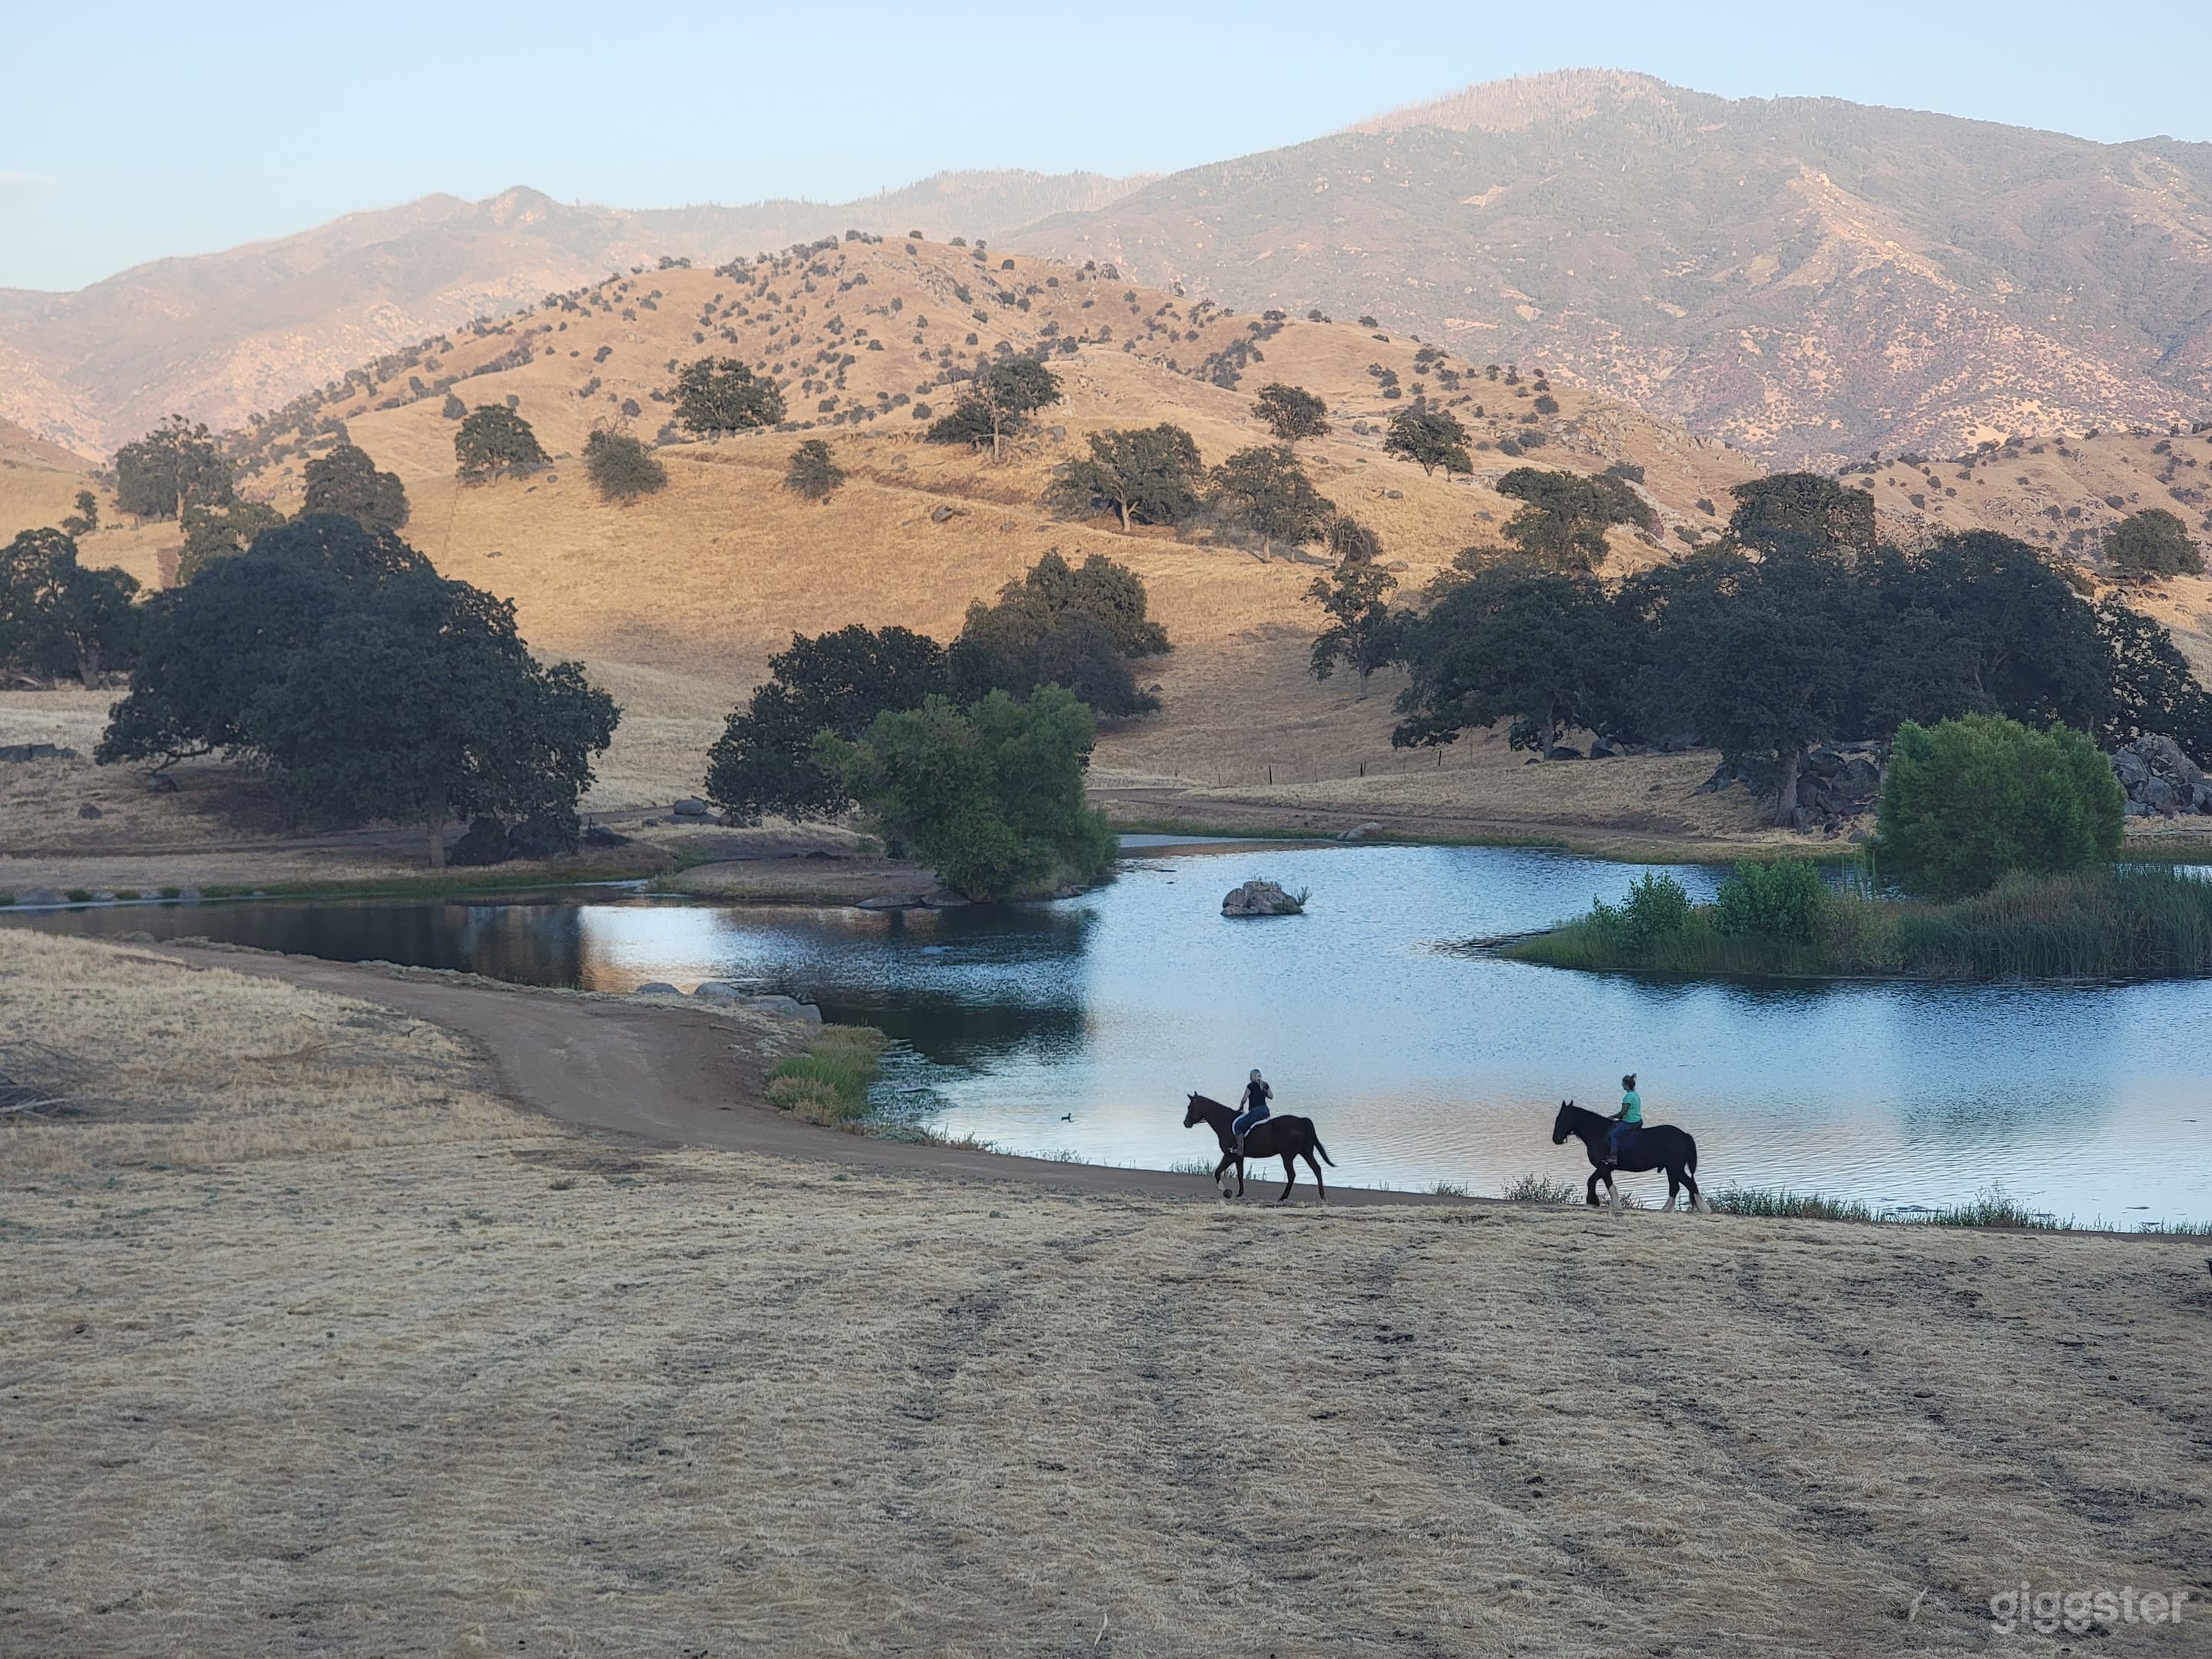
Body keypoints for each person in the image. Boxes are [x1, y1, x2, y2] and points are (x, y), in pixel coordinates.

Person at [1230, 1068, 1273, 1156]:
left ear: (1252, 1077)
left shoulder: (1251, 1086)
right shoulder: (1265, 1085)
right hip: (1265, 1110)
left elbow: (1244, 1099)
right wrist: (1266, 1088)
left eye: (1250, 1077)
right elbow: (1271, 1096)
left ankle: (1240, 1150)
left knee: (1239, 1125)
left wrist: (1241, 1107)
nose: (1250, 1079)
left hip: (1255, 1111)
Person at [1605, 1073, 1643, 1166]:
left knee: (1613, 1135)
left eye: (1623, 1083)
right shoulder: (1636, 1095)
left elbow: (1623, 1112)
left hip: (1630, 1122)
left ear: (1626, 1085)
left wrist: (1612, 1117)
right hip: (1638, 1120)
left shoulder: (1628, 1097)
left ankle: (1613, 1157)